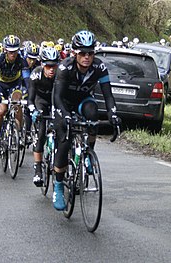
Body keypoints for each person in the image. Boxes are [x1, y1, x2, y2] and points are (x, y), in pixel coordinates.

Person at [52, 30, 121, 210]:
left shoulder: (99, 68)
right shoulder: (64, 67)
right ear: (74, 53)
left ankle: (88, 152)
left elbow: (108, 95)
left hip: (83, 101)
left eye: (90, 52)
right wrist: (65, 115)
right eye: (82, 53)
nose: (87, 57)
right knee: (65, 141)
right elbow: (57, 97)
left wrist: (113, 114)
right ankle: (58, 185)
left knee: (93, 112)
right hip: (64, 103)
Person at [0, 35, 31, 157]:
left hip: (15, 85)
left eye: (15, 51)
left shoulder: (22, 60)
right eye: (10, 52)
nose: (13, 54)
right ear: (5, 50)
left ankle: (18, 133)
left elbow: (27, 79)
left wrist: (30, 93)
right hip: (2, 86)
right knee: (2, 110)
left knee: (17, 103)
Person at [27, 47, 59, 186]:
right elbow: (30, 97)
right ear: (42, 65)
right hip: (40, 101)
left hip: (55, 101)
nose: (51, 69)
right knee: (41, 134)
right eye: (48, 66)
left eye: (54, 66)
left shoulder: (61, 75)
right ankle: (38, 167)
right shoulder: (36, 74)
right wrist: (33, 109)